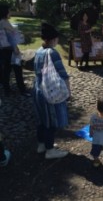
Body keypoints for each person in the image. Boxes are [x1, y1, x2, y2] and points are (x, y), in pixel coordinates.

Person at [32, 23, 70, 159]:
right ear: (53, 39)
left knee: (42, 119)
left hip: (37, 89)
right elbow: (63, 74)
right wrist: (68, 92)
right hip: (50, 91)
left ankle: (41, 145)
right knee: (52, 121)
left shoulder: (38, 51)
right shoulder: (52, 53)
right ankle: (50, 150)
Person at [0, 4, 31, 97]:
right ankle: (22, 90)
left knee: (6, 71)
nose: (10, 13)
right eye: (9, 11)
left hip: (4, 50)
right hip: (11, 50)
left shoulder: (1, 22)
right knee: (17, 70)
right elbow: (12, 37)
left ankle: (7, 90)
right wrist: (16, 49)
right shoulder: (4, 22)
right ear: (5, 12)